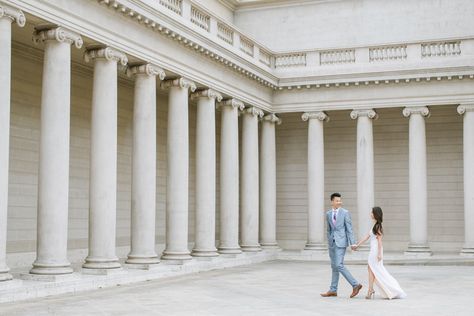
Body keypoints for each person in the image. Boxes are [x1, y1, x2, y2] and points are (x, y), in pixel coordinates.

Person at [354, 206, 407, 299]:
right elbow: (367, 237)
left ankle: (371, 290)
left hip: (376, 251)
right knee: (371, 269)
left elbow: (379, 241)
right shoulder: (374, 225)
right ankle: (370, 289)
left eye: (372, 212)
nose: (370, 214)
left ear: (375, 214)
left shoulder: (378, 226)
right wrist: (357, 245)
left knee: (374, 269)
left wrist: (379, 254)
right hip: (373, 250)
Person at [321, 193, 363, 298]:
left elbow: (349, 229)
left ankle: (355, 284)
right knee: (334, 266)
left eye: (340, 200)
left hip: (341, 242)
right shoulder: (328, 214)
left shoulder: (345, 213)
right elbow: (329, 229)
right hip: (332, 243)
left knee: (339, 265)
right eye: (337, 201)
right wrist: (329, 240)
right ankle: (333, 290)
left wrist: (352, 243)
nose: (339, 202)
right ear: (332, 202)